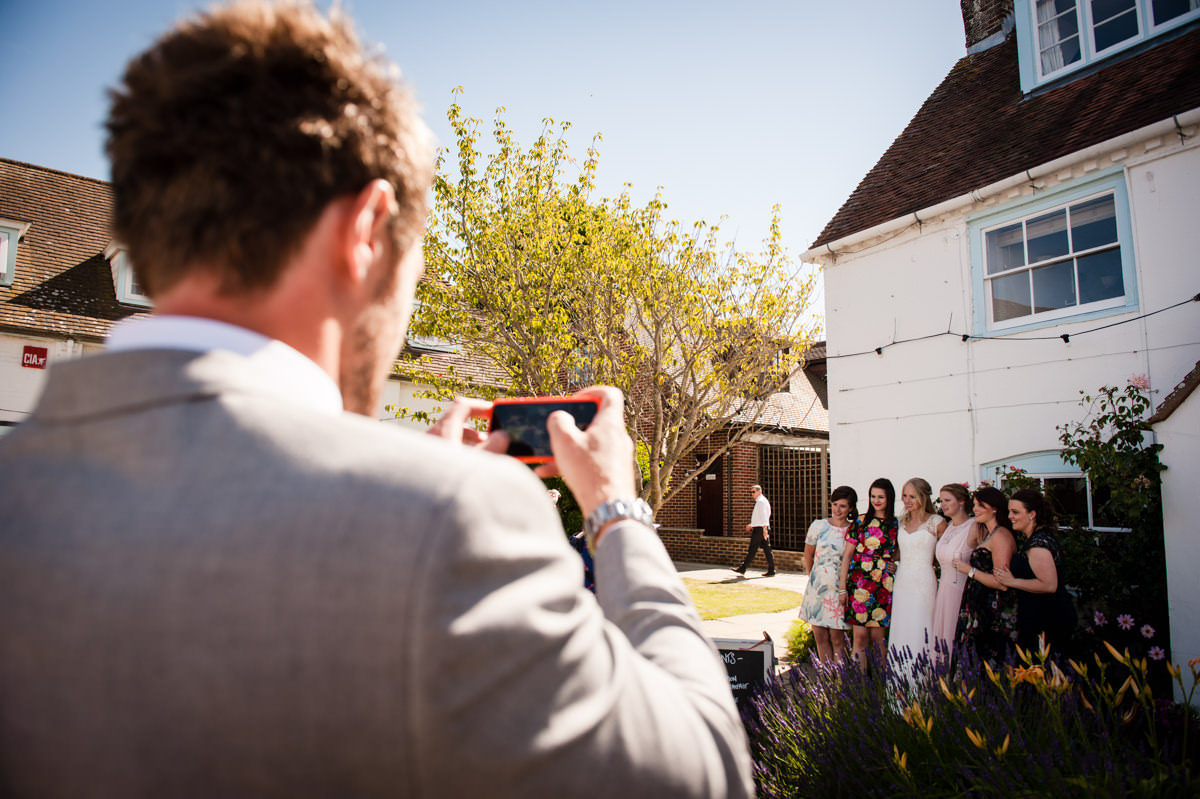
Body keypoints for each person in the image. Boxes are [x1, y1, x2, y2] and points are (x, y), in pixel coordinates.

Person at [0, 4, 753, 797]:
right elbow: (704, 771)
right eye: (414, 270)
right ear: (366, 228)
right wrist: (615, 514)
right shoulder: (451, 521)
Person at [995, 488, 1077, 657]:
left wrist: (1011, 581)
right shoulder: (1039, 538)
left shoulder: (1038, 545)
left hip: (1047, 617)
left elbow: (1049, 584)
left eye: (1015, 512)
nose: (1010, 516)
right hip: (1039, 614)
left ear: (1032, 514)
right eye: (1010, 511)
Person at [951, 486, 1019, 665]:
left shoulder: (1001, 536)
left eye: (981, 505)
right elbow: (970, 541)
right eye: (974, 505)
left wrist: (969, 571)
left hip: (992, 610)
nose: (975, 509)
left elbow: (1001, 582)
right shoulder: (988, 534)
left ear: (995, 508)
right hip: (979, 605)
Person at [838, 477, 899, 672]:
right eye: (873, 496)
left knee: (878, 639)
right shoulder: (861, 521)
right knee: (860, 637)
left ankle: (882, 685)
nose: (876, 500)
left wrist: (894, 563)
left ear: (889, 498)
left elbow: (900, 550)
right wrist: (842, 589)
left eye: (881, 496)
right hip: (858, 583)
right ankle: (859, 686)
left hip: (883, 584)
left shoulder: (896, 524)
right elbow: (847, 556)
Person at [888, 478, 947, 678]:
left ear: (923, 497)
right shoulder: (900, 521)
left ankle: (924, 684)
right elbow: (897, 552)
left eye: (912, 496)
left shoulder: (937, 522)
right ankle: (899, 684)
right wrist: (891, 563)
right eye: (905, 496)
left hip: (924, 581)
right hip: (903, 580)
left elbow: (945, 555)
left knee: (922, 627)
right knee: (902, 628)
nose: (907, 500)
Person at [798, 486, 857, 663]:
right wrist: (813, 578)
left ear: (851, 509)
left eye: (843, 506)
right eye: (835, 504)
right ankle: (826, 682)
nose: (838, 510)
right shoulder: (818, 526)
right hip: (817, 590)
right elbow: (808, 554)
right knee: (820, 638)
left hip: (839, 590)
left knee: (838, 639)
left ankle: (841, 682)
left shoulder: (854, 530)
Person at [931, 483, 980, 661]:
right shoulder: (949, 525)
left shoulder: (974, 526)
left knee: (954, 637)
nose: (943, 504)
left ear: (961, 502)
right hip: (943, 589)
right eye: (941, 500)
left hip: (960, 590)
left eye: (947, 500)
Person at [733, 484, 775, 577]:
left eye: (753, 491)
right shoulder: (762, 501)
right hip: (761, 528)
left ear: (759, 491)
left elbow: (764, 516)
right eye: (751, 492)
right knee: (767, 549)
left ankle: (743, 568)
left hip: (760, 529)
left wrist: (764, 530)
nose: (752, 494)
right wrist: (752, 525)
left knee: (753, 548)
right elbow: (759, 517)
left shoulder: (760, 502)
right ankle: (771, 570)